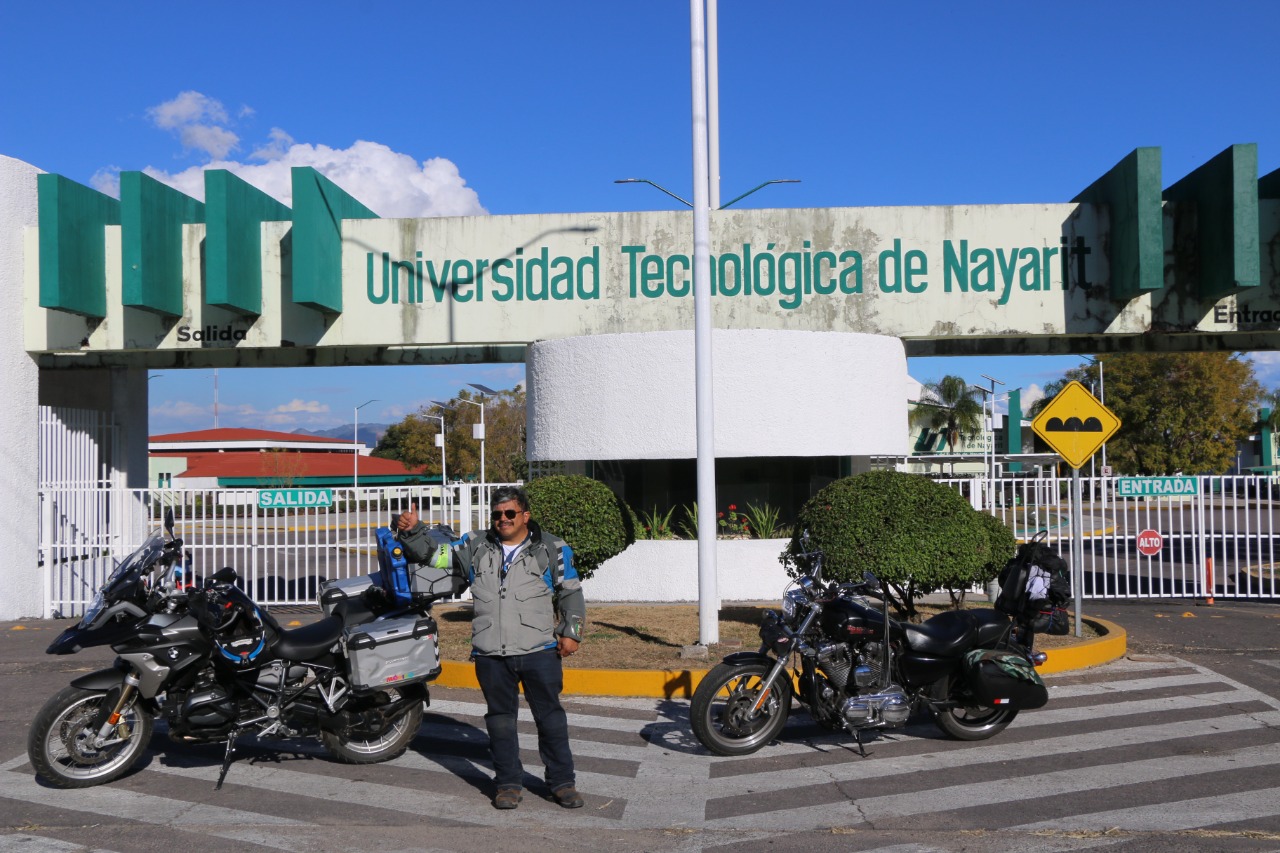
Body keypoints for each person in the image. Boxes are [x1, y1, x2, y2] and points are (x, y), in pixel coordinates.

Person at [396, 486, 586, 811]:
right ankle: (508, 784)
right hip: (490, 654)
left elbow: (570, 591)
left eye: (510, 513)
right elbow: (435, 556)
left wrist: (571, 631)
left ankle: (562, 783)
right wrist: (414, 532)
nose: (503, 519)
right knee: (500, 721)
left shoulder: (552, 548)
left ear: (525, 515)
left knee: (550, 719)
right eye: (497, 514)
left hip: (538, 650)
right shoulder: (475, 545)